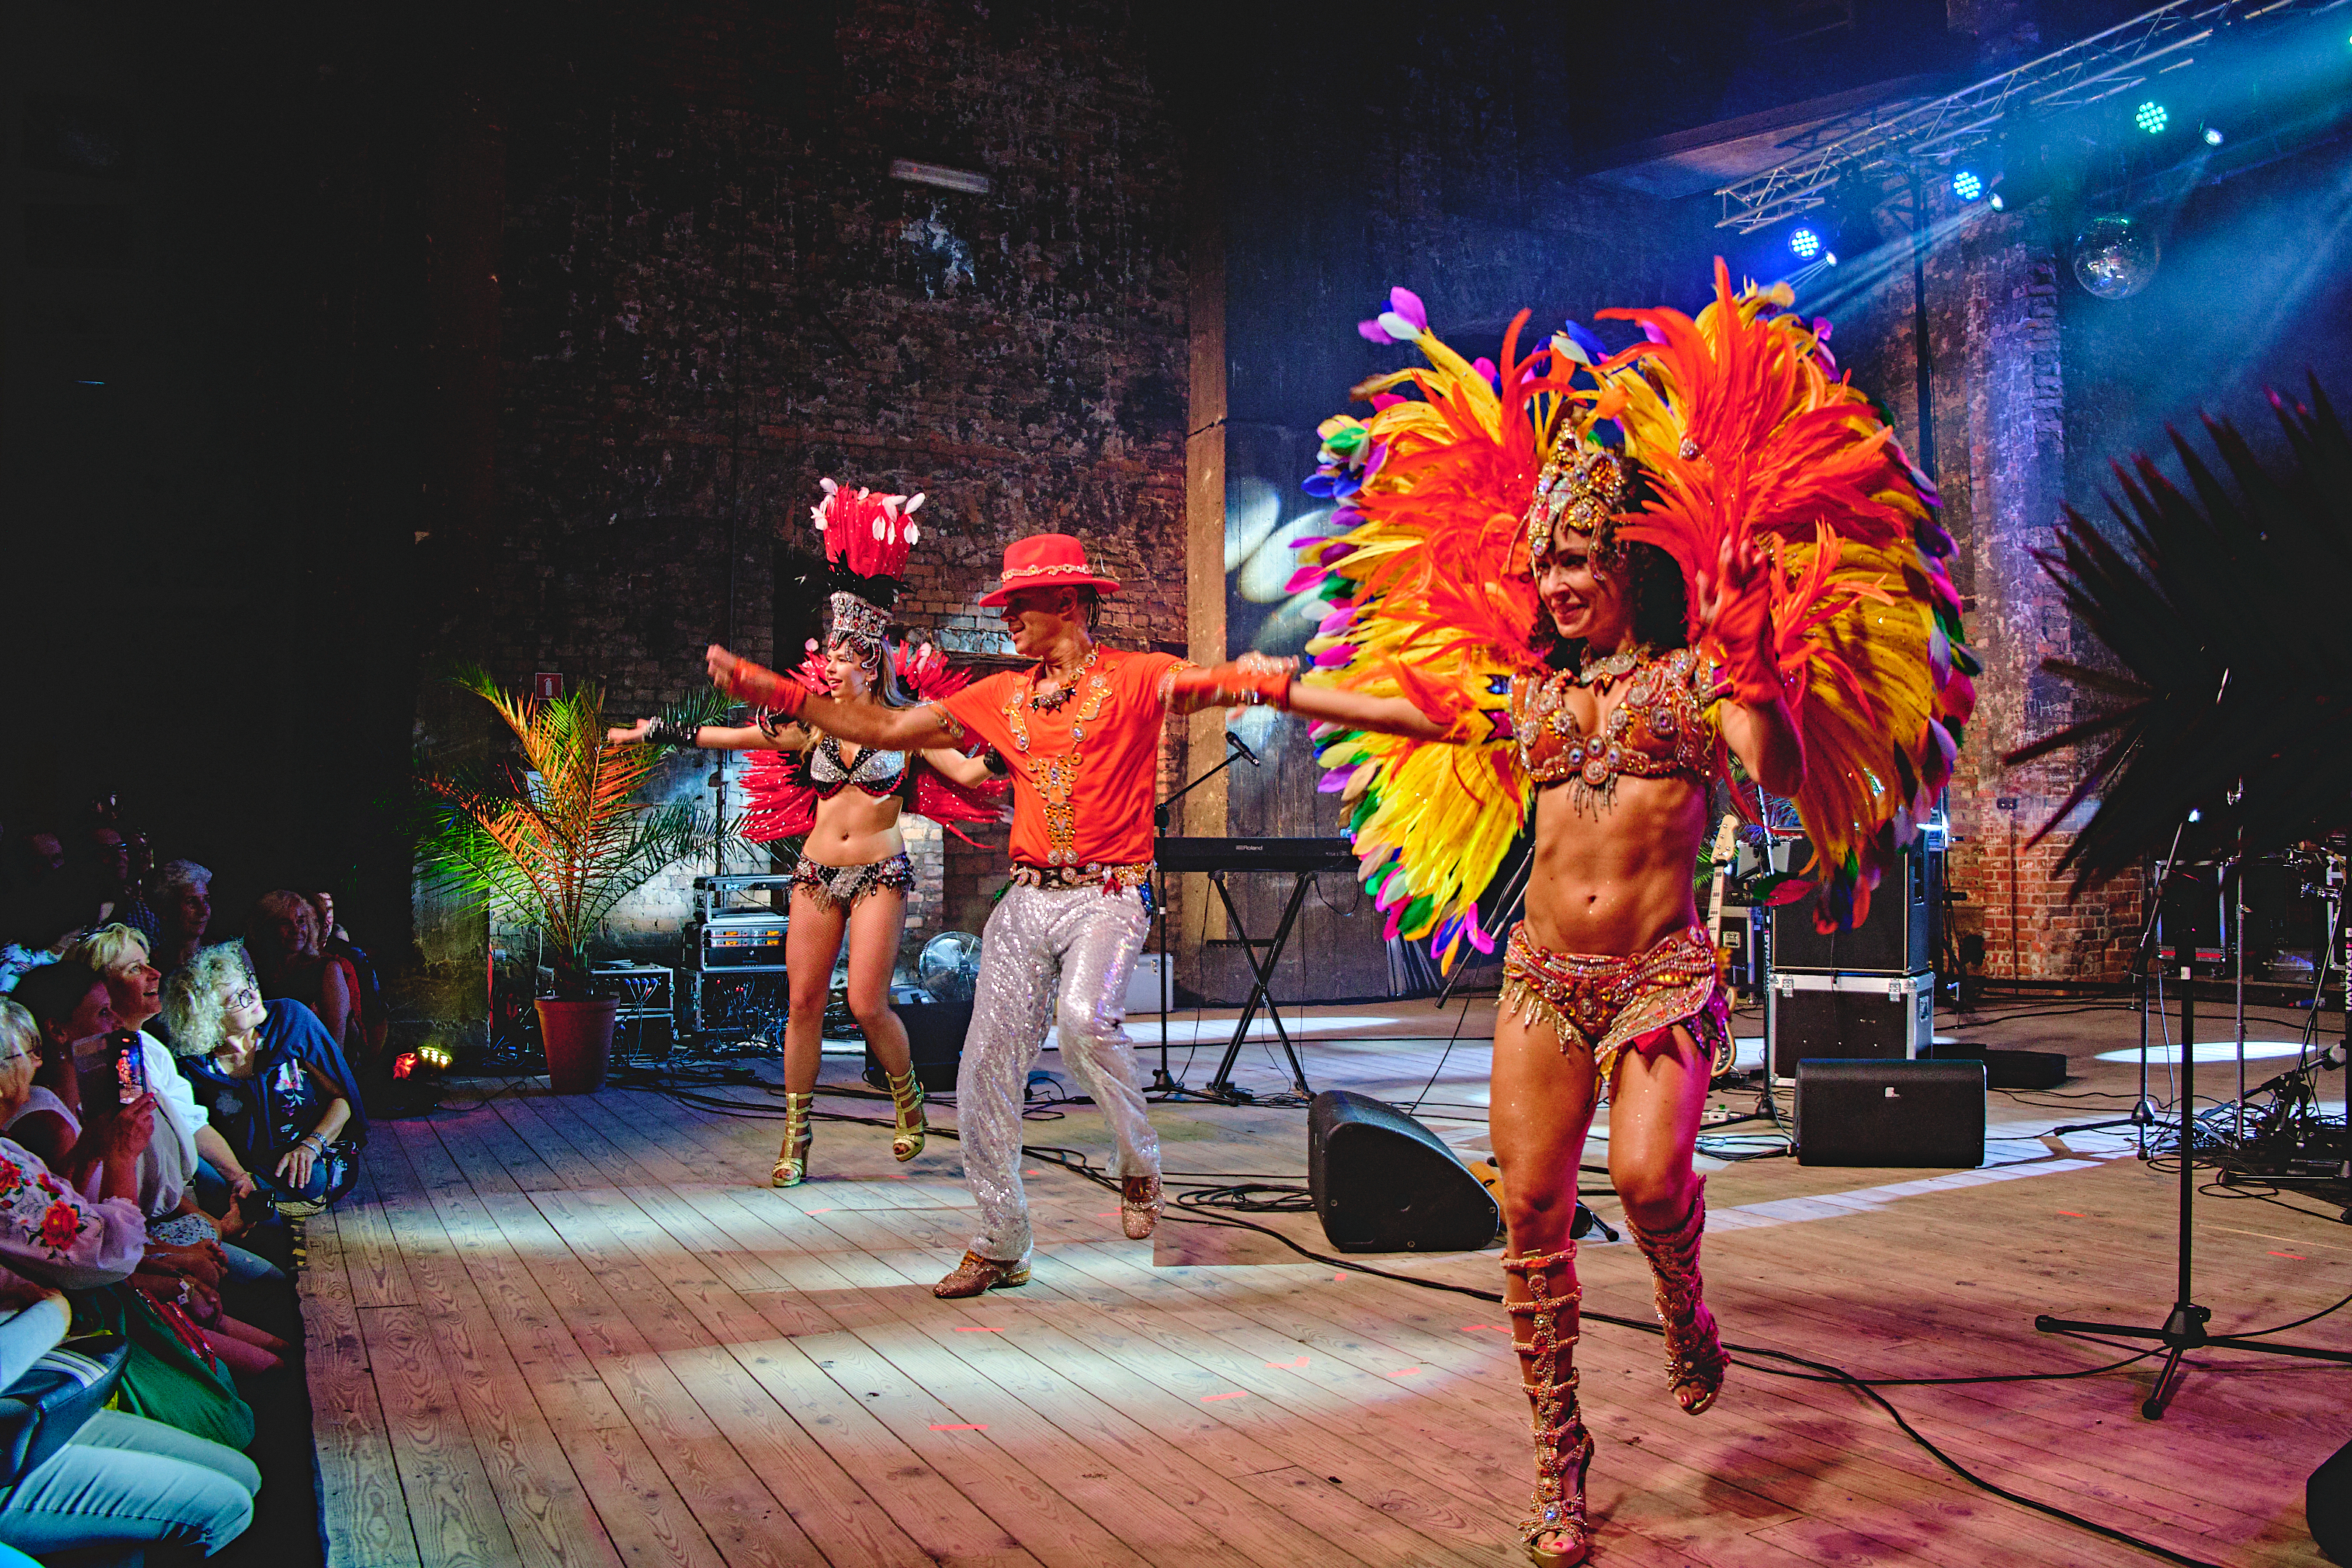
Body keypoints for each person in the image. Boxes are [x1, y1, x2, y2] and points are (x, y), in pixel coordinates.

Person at [1176, 269, 1975, 1564]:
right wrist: (1269, 679)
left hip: (1659, 974)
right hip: (1543, 979)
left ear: (1626, 568)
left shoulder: (1690, 680)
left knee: (1654, 1179)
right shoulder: (1527, 700)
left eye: (1580, 558)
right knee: (1531, 1208)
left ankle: (1681, 1305)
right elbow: (1406, 708)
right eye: (1544, 559)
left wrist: (1758, 661)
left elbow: (1768, 772)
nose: (1557, 580)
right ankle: (1560, 1459)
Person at [703, 531, 1202, 1297]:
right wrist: (760, 693)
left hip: (1086, 891)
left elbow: (953, 759)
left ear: (1068, 603)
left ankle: (1134, 1159)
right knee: (964, 1069)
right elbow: (854, 729)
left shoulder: (1125, 679)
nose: (1006, 618)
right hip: (984, 890)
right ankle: (996, 1236)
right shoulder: (986, 696)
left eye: (1019, 604)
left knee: (1071, 1020)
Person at [612, 480, 1003, 1187]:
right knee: (802, 1002)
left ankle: (907, 1097)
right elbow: (730, 735)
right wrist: (658, 730)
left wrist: (1010, 747)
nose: (826, 662)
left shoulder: (907, 726)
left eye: (841, 655)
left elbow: (972, 777)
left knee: (864, 1002)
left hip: (881, 873)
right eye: (824, 652)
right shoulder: (809, 722)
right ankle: (795, 1138)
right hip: (816, 874)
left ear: (870, 658)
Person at [0, 999, 260, 1559]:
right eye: (29, 1054)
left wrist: (94, 1151)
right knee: (230, 1501)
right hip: (14, 1428)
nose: (38, 1064)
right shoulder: (7, 1160)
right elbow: (103, 1254)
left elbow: (61, 1226)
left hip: (30, 1403)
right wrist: (120, 1157)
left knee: (242, 1476)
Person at [7, 961, 287, 1378]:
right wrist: (175, 1272)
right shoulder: (42, 1123)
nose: (117, 1021)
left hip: (129, 1266)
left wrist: (182, 1255)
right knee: (273, 1358)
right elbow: (91, 1253)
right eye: (103, 1013)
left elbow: (84, 1216)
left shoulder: (86, 1102)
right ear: (59, 1031)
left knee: (278, 1313)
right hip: (103, 1302)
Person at [63, 926, 274, 1277]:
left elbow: (193, 1124)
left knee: (268, 1226)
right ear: (100, 989)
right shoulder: (97, 1075)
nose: (155, 973)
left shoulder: (146, 1048)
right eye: (135, 969)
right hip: (138, 1228)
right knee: (266, 1279)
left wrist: (238, 1177)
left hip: (173, 1201)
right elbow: (137, 1184)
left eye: (147, 964)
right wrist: (213, 1227)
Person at [164, 945, 366, 1216]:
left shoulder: (291, 1021)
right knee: (196, 1170)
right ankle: (247, 1203)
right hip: (237, 1167)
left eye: (248, 983)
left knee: (310, 1178)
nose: (253, 994)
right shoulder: (194, 1065)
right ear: (209, 1019)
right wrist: (236, 1174)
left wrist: (311, 1145)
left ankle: (246, 1206)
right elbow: (196, 1127)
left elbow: (343, 1099)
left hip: (306, 1153)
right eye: (238, 997)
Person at [148, 861, 214, 976]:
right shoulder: (150, 966)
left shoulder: (229, 956)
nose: (204, 911)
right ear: (165, 909)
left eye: (206, 900)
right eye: (191, 902)